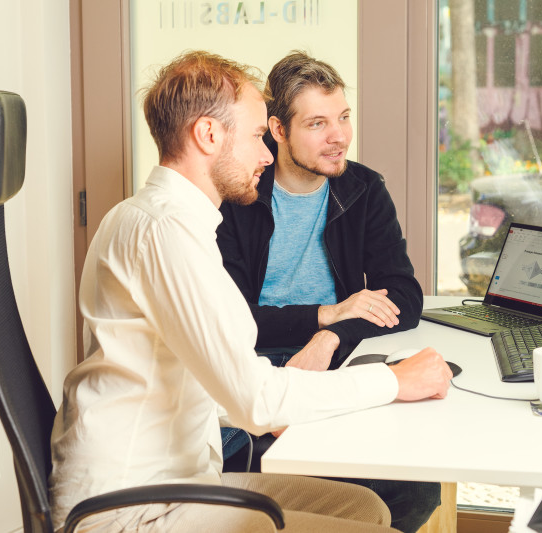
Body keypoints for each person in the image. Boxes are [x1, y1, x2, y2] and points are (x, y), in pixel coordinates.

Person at [48, 50, 452, 533]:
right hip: (134, 510)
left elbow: (208, 378)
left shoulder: (172, 220)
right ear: (209, 134)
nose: (267, 153)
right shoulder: (164, 233)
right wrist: (395, 382)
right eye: (259, 135)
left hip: (180, 481)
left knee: (365, 511)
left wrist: (301, 396)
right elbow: (255, 400)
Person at [216, 51, 440, 532]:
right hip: (254, 371)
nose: (338, 136)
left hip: (333, 362)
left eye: (342, 117)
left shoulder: (362, 189)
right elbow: (231, 319)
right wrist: (324, 315)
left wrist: (333, 336)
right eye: (317, 123)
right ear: (278, 130)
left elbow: (403, 294)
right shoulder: (239, 198)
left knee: (418, 486)